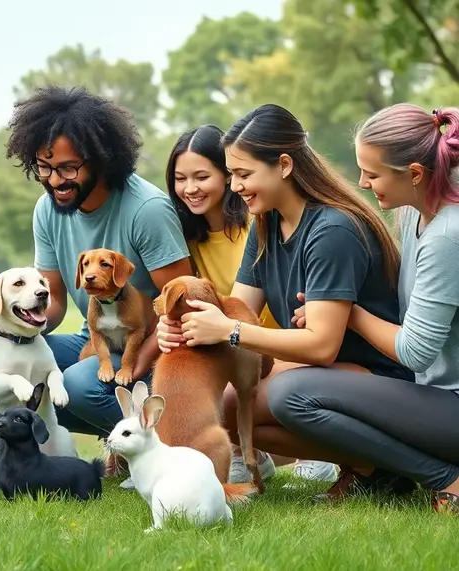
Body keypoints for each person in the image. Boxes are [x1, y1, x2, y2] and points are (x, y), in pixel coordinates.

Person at [157, 103, 414, 491]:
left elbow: (322, 346)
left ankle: (383, 463)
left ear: (284, 165)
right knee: (224, 404)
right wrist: (176, 324)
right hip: (326, 373)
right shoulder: (266, 224)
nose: (236, 186)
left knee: (273, 395)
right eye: (232, 175)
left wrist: (228, 330)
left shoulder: (332, 230)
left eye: (244, 174)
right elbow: (236, 308)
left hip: (377, 378)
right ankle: (367, 466)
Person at [267, 104, 459, 511]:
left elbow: (415, 351)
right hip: (432, 395)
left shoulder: (448, 235)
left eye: (372, 173)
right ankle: (396, 472)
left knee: (291, 394)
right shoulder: (414, 212)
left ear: (414, 174)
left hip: (450, 402)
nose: (362, 182)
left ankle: (447, 479)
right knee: (280, 390)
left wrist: (346, 312)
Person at [6, 85, 192, 450]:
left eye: (68, 168)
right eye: (44, 168)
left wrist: (137, 364)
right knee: (10, 363)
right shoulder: (46, 210)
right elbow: (55, 302)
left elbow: (181, 308)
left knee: (76, 385)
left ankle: (173, 444)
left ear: (101, 159)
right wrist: (13, 329)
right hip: (100, 337)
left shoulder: (147, 210)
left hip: (158, 347)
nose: (55, 181)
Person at [165, 124, 337, 485]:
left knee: (238, 394)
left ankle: (312, 451)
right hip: (230, 340)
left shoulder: (256, 224)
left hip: (274, 340)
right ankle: (244, 455)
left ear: (226, 177)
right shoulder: (187, 238)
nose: (190, 188)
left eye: (202, 176)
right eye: (180, 178)